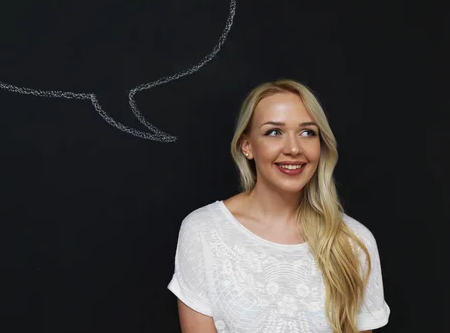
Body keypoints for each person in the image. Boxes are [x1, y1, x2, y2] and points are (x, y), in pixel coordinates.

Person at [167, 79, 391, 333]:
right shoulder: (204, 231)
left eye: (307, 132)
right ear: (247, 145)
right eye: (274, 132)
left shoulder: (353, 241)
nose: (293, 148)